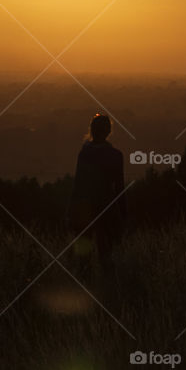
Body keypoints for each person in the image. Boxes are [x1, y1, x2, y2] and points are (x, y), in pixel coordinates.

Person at [68, 113, 126, 276]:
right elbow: (119, 188)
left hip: (84, 208)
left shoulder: (84, 153)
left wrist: (71, 211)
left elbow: (77, 184)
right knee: (106, 255)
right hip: (106, 207)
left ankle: (85, 287)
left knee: (83, 258)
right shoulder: (116, 155)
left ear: (92, 131)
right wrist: (123, 214)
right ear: (108, 131)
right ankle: (108, 291)